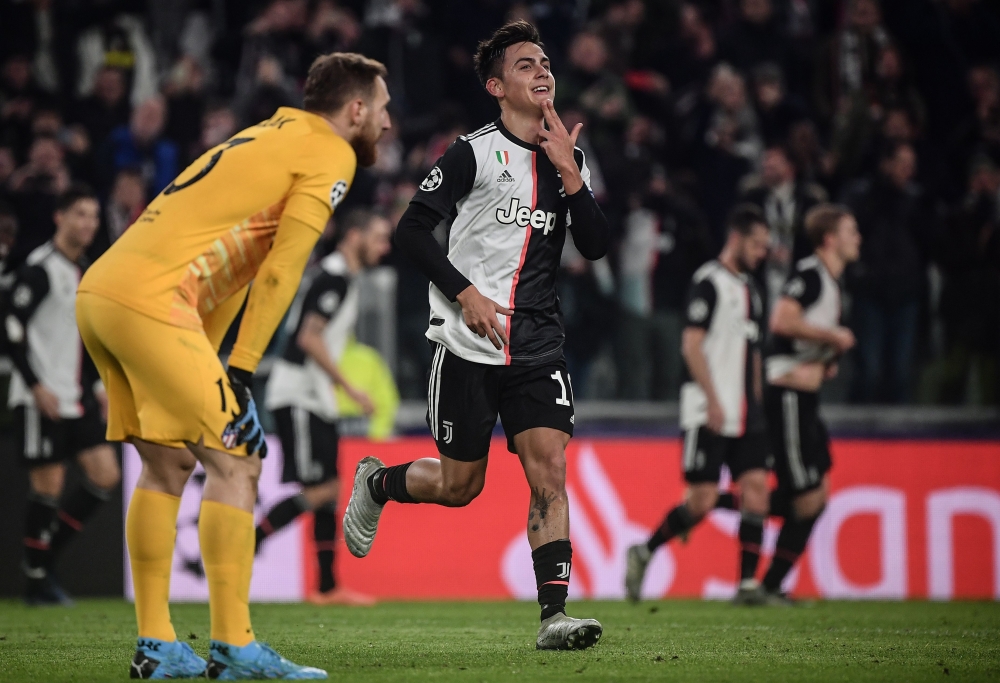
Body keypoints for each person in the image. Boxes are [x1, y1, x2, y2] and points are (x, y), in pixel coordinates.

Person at [76, 52, 391, 680]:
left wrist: (218, 362)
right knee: (239, 461)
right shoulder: (331, 153)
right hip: (151, 301)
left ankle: (158, 645)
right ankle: (234, 645)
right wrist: (241, 373)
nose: (386, 124)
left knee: (167, 463)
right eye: (382, 109)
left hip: (105, 292)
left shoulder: (268, 134)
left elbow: (226, 272)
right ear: (354, 109)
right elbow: (280, 270)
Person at [341, 21, 609, 651]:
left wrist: (572, 174)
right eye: (524, 65)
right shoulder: (471, 153)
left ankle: (553, 617)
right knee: (462, 487)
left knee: (549, 468)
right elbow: (411, 231)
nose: (541, 71)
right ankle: (379, 483)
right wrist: (466, 295)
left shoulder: (564, 156)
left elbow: (595, 247)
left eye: (544, 62)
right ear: (496, 86)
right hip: (467, 343)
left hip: (538, 342)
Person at [624, 205, 771, 605]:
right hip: (709, 409)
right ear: (737, 238)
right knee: (702, 501)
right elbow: (691, 344)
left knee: (756, 491)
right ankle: (645, 550)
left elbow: (754, 353)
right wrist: (713, 398)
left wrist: (757, 403)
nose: (762, 253)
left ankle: (747, 586)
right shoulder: (708, 282)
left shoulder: (754, 292)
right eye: (757, 244)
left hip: (746, 412)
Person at [259, 209, 392, 606]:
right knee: (324, 489)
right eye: (379, 238)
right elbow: (308, 338)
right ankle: (245, 546)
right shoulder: (333, 277)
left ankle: (328, 587)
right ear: (354, 236)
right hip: (299, 394)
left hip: (317, 398)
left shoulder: (340, 278)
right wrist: (350, 386)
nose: (384, 248)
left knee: (329, 494)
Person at [6, 184, 121, 606]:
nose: (88, 223)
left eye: (93, 216)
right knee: (49, 486)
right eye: (80, 214)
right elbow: (9, 329)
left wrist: (96, 385)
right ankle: (37, 580)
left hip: (76, 396)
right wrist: (35, 385)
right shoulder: (39, 268)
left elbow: (83, 339)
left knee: (106, 475)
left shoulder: (85, 270)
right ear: (60, 217)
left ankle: (44, 555)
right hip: (42, 397)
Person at [756, 204, 860, 603]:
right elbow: (782, 321)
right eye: (851, 230)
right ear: (829, 238)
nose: (858, 238)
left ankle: (770, 587)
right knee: (805, 496)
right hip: (789, 396)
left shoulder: (832, 281)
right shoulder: (811, 275)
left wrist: (822, 357)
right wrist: (832, 338)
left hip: (807, 397)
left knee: (817, 494)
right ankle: (722, 501)